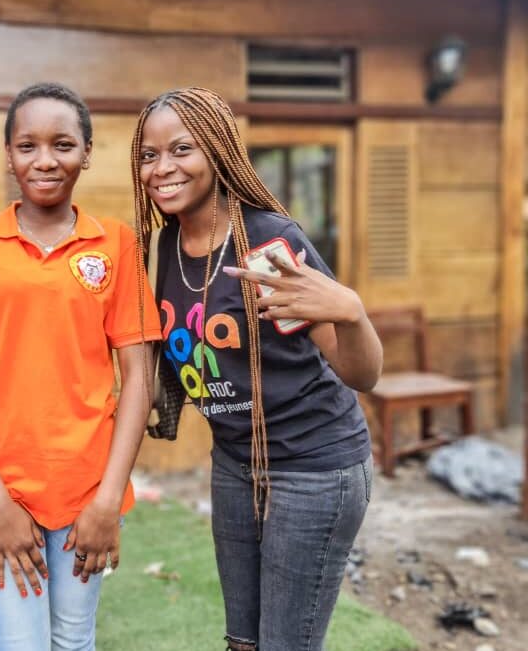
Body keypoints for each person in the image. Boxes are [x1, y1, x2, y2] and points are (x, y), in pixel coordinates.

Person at [130, 87, 383, 651]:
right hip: (236, 462)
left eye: (182, 150)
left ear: (218, 151)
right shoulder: (165, 245)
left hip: (314, 466)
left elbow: (361, 374)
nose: (163, 168)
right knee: (243, 642)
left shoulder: (268, 241)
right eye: (149, 155)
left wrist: (352, 313)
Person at [0, 82, 161, 651]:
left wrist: (108, 500)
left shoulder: (116, 243)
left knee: (73, 641)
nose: (45, 160)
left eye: (62, 144)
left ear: (86, 151)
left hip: (88, 494)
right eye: (27, 145)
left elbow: (138, 376)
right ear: (8, 155)